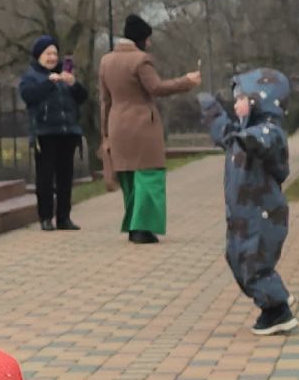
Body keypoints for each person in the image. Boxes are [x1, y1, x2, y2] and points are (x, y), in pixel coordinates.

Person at [198, 68, 297, 334]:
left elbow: (262, 140)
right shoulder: (241, 134)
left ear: (259, 100)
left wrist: (246, 137)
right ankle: (273, 295)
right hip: (241, 214)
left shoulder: (269, 131)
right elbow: (226, 133)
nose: (235, 104)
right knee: (236, 258)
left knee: (254, 264)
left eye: (241, 99)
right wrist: (212, 112)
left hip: (262, 213)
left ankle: (277, 311)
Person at [99, 15, 202, 243]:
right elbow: (156, 87)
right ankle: (142, 228)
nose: (149, 43)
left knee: (128, 176)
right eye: (147, 38)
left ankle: (132, 225)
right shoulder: (141, 60)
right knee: (149, 175)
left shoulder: (106, 61)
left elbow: (104, 100)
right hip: (142, 125)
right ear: (140, 39)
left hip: (117, 125)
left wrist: (105, 132)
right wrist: (186, 81)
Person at [20, 36, 88, 231]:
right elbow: (29, 96)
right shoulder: (31, 76)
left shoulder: (65, 74)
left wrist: (73, 83)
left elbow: (82, 97)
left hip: (67, 132)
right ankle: (46, 217)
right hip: (45, 132)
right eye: (47, 54)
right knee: (45, 177)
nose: (52, 57)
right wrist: (49, 83)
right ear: (39, 56)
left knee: (65, 177)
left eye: (54, 54)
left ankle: (64, 217)